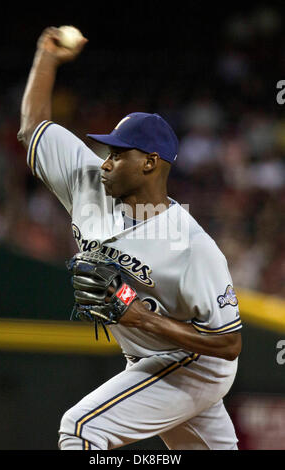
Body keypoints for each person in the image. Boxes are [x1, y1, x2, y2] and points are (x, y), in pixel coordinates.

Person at [17, 27, 242, 451]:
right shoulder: (87, 183)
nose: (106, 162)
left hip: (196, 365)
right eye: (107, 152)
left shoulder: (192, 247)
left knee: (81, 429)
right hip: (146, 358)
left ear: (150, 163)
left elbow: (230, 344)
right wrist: (46, 57)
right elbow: (33, 129)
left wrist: (144, 319)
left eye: (119, 154)